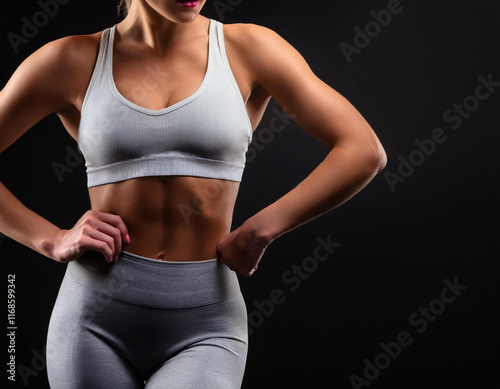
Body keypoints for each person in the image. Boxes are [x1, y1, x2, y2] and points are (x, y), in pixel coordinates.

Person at [0, 0, 387, 387]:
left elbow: (362, 150)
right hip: (92, 321)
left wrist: (263, 227)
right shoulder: (71, 59)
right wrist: (50, 239)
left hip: (207, 324)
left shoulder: (249, 48)